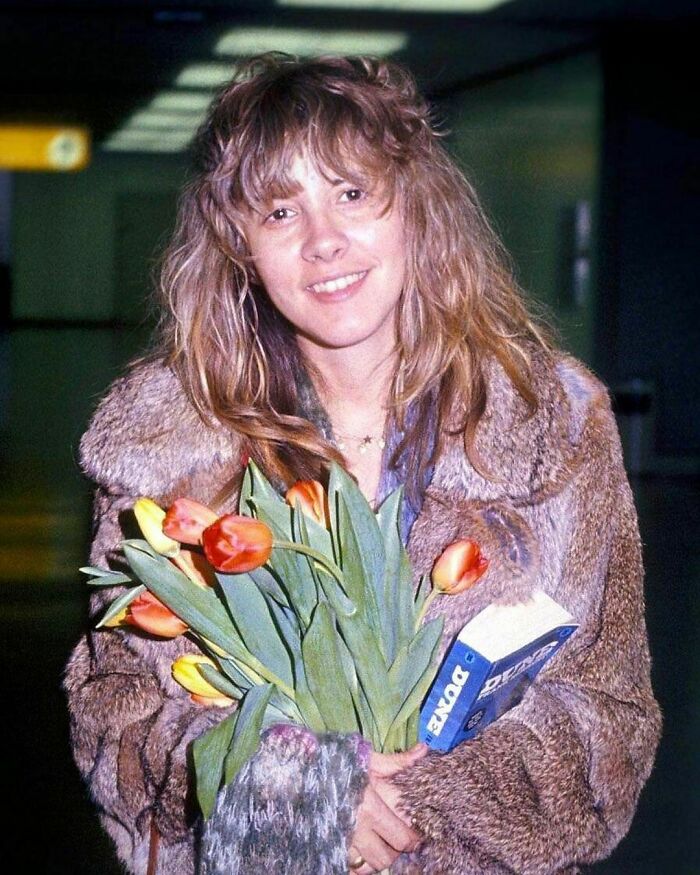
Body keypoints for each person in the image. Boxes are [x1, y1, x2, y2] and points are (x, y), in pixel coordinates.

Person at [64, 53, 661, 875]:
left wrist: (407, 804)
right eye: (280, 211)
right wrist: (290, 796)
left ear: (414, 204)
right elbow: (113, 715)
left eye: (352, 192)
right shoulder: (165, 448)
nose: (324, 242)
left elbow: (610, 718)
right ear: (240, 243)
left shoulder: (549, 425)